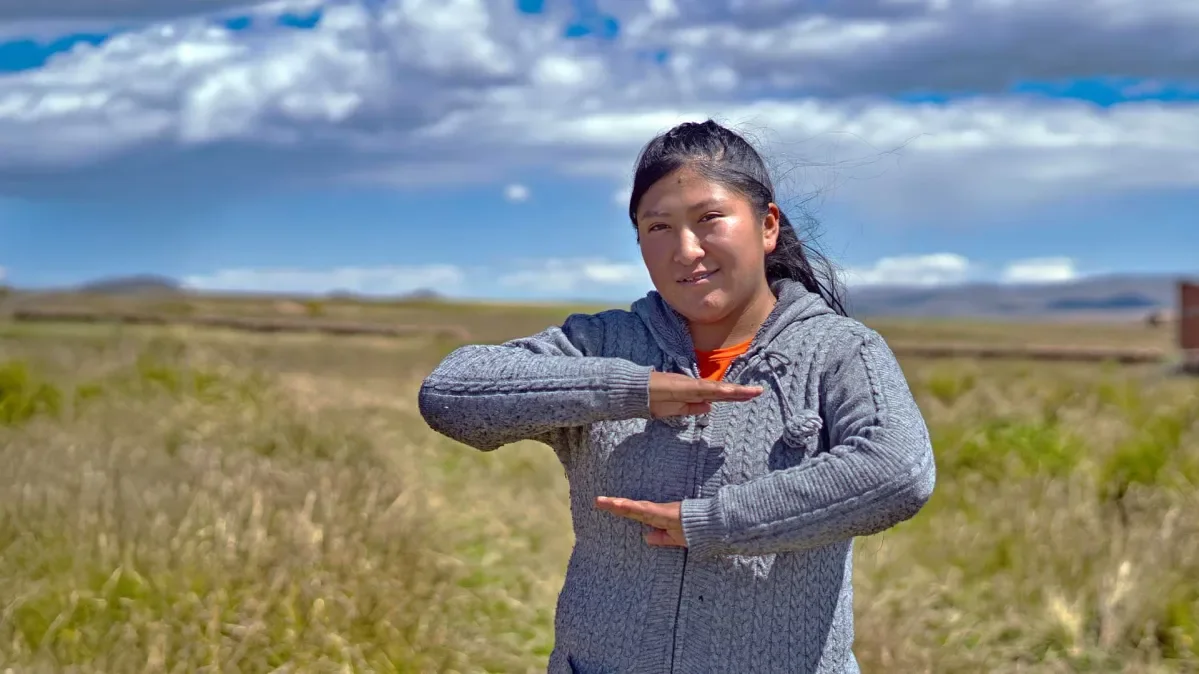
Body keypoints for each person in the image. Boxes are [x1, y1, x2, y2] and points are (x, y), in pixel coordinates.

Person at [419, 120, 936, 674]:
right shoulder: (603, 342)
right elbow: (450, 392)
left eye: (709, 218)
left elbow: (900, 471)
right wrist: (626, 389)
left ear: (767, 225)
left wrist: (714, 522)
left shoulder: (839, 350)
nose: (686, 250)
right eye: (658, 226)